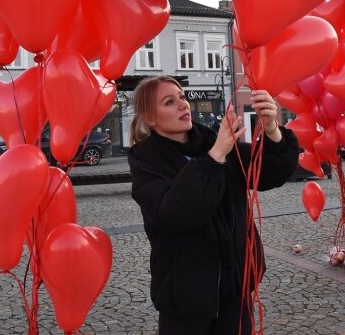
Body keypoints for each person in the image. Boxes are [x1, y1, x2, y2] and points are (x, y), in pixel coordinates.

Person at [127, 76, 300, 334]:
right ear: (151, 119)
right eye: (169, 102)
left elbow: (267, 174)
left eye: (182, 97)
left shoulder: (211, 141)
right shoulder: (148, 164)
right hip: (186, 301)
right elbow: (177, 212)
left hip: (235, 289)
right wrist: (215, 156)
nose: (183, 105)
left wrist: (272, 128)